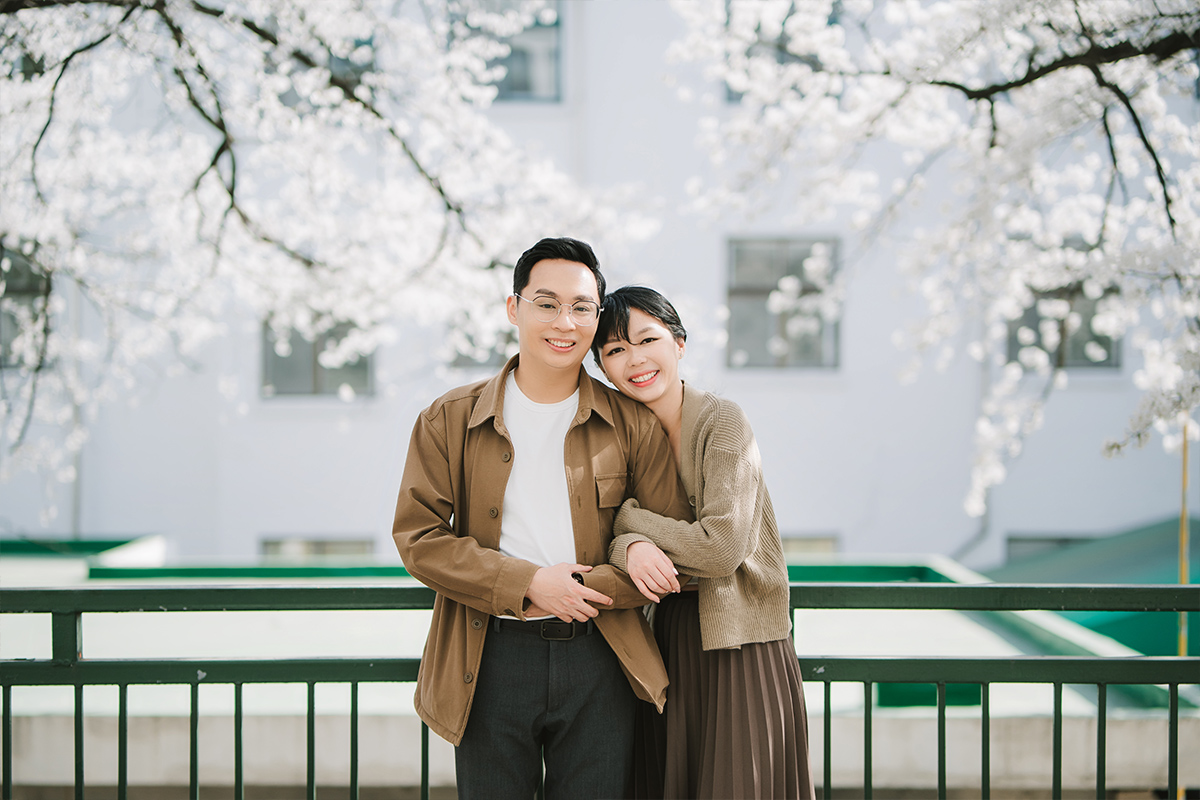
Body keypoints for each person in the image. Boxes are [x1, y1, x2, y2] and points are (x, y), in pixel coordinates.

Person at [392, 239, 692, 800]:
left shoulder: (632, 424)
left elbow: (667, 544)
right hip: (487, 658)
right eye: (546, 303)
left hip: (604, 657)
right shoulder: (449, 419)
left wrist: (577, 590)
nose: (565, 322)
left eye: (582, 307)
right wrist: (528, 583)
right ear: (514, 309)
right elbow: (420, 539)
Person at [593, 285, 816, 800]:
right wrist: (627, 546)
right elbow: (597, 536)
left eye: (647, 339)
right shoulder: (616, 437)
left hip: (741, 641)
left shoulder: (723, 421)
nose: (635, 360)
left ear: (679, 344)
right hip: (665, 640)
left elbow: (721, 548)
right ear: (603, 367)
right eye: (616, 350)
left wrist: (631, 522)